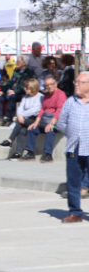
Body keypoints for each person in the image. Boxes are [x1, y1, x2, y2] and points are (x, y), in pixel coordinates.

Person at [56, 72, 89, 223]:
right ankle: (75, 212)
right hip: (73, 149)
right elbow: (61, 123)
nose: (76, 84)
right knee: (73, 180)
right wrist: (73, 134)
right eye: (76, 82)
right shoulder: (70, 102)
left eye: (80, 82)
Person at [23, 75, 66, 163]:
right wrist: (36, 123)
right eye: (47, 85)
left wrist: (51, 123)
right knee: (32, 129)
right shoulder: (46, 95)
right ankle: (30, 153)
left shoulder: (61, 94)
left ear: (56, 84)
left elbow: (59, 111)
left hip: (56, 122)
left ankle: (48, 154)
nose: (49, 86)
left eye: (51, 84)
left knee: (50, 129)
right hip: (44, 121)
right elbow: (42, 109)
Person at [0, 79, 43, 161]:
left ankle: (10, 140)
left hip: (35, 120)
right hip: (25, 119)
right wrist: (19, 115)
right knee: (21, 131)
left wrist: (21, 116)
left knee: (20, 123)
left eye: (27, 87)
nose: (24, 89)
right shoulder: (25, 97)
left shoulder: (40, 97)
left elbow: (34, 110)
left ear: (32, 88)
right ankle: (18, 153)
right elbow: (20, 108)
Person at [0, 55, 36, 126]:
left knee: (12, 97)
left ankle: (8, 117)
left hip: (23, 93)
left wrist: (15, 91)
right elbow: (10, 81)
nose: (16, 63)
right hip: (12, 92)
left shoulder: (29, 72)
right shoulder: (16, 70)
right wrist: (2, 91)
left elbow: (28, 86)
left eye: (18, 61)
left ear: (24, 63)